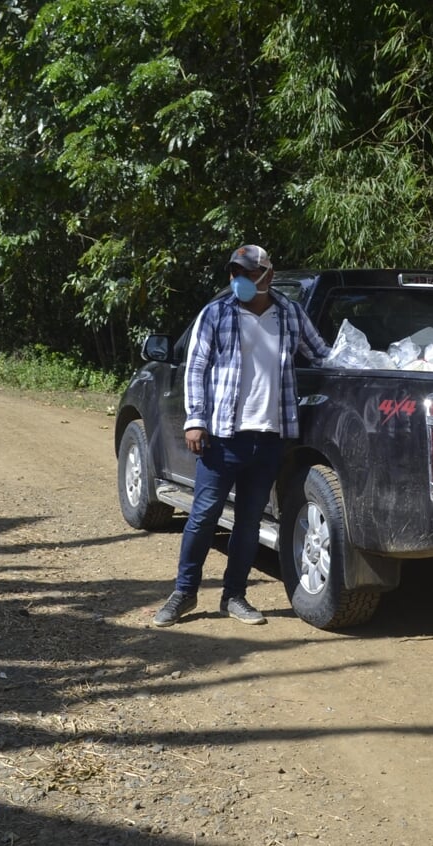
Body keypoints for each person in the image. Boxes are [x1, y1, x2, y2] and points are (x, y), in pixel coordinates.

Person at [152, 245, 331, 627]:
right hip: (223, 436)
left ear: (267, 274)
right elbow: (196, 368)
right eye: (235, 272)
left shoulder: (289, 314)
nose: (240, 280)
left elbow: (322, 356)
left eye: (248, 272)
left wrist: (382, 362)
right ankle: (183, 593)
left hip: (269, 437)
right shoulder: (216, 313)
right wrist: (195, 420)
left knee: (249, 523)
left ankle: (234, 596)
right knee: (203, 516)